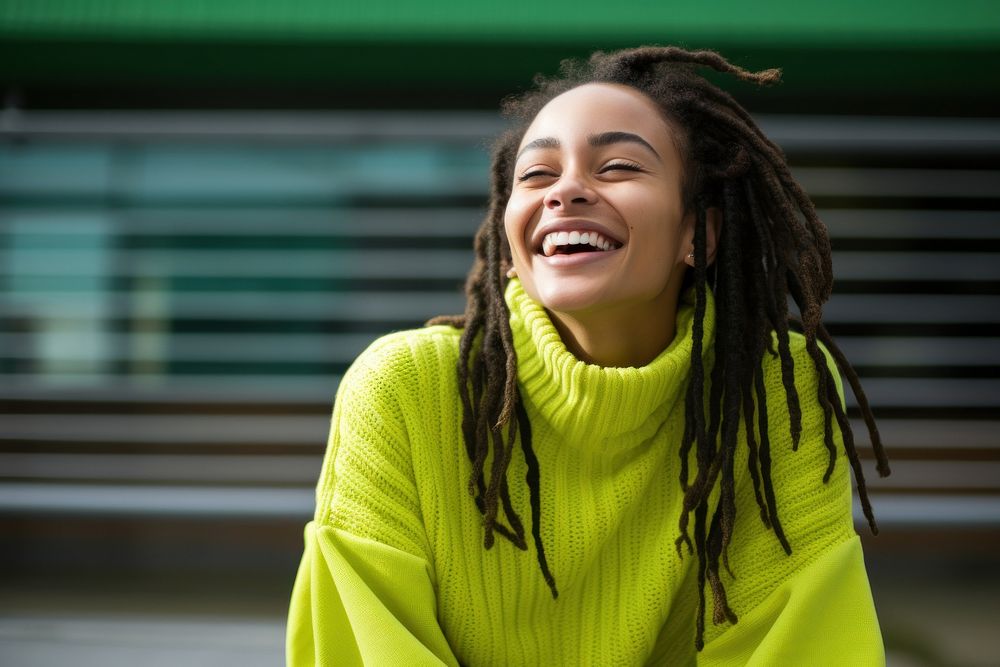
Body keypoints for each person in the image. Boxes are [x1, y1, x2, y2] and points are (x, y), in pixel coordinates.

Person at [286, 45, 891, 666]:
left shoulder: (773, 390)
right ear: (508, 237)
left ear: (698, 234)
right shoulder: (404, 388)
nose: (565, 191)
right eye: (537, 174)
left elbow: (803, 647)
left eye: (619, 166)